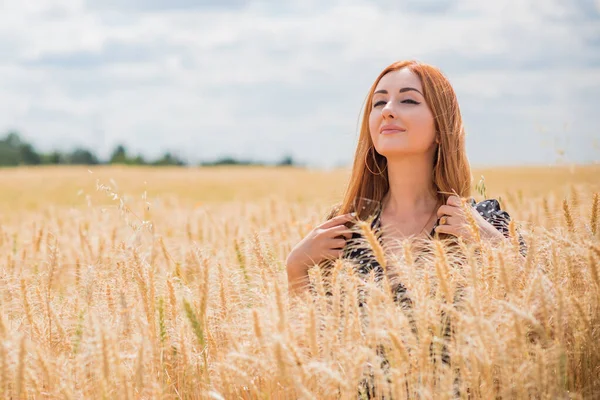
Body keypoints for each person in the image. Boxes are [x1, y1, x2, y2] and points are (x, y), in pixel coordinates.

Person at [286, 60, 526, 296]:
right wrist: (296, 268)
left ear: (442, 128)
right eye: (378, 102)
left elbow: (542, 315)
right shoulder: (346, 227)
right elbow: (314, 332)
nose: (388, 110)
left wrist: (493, 244)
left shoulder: (481, 221)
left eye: (408, 100)